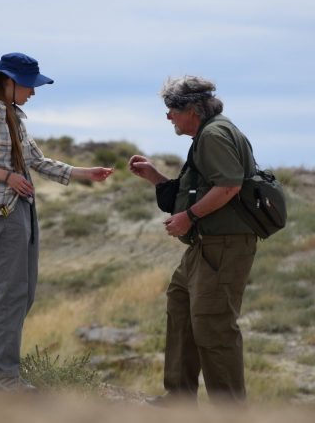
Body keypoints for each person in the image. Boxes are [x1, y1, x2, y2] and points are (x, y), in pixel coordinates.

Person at [0, 52, 113, 392]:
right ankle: (3, 375)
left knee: (22, 295)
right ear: (8, 82)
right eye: (28, 85)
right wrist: (8, 177)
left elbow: (37, 161)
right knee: (8, 294)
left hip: (22, 211)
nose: (33, 92)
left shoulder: (15, 115)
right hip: (0, 212)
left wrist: (83, 173)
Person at [128, 76, 257, 405]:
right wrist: (156, 177)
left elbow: (228, 187)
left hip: (223, 245)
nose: (169, 117)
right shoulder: (208, 134)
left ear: (191, 109)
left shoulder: (214, 134)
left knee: (214, 326)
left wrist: (190, 217)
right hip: (206, 245)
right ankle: (180, 399)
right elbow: (198, 189)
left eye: (171, 110)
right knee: (181, 304)